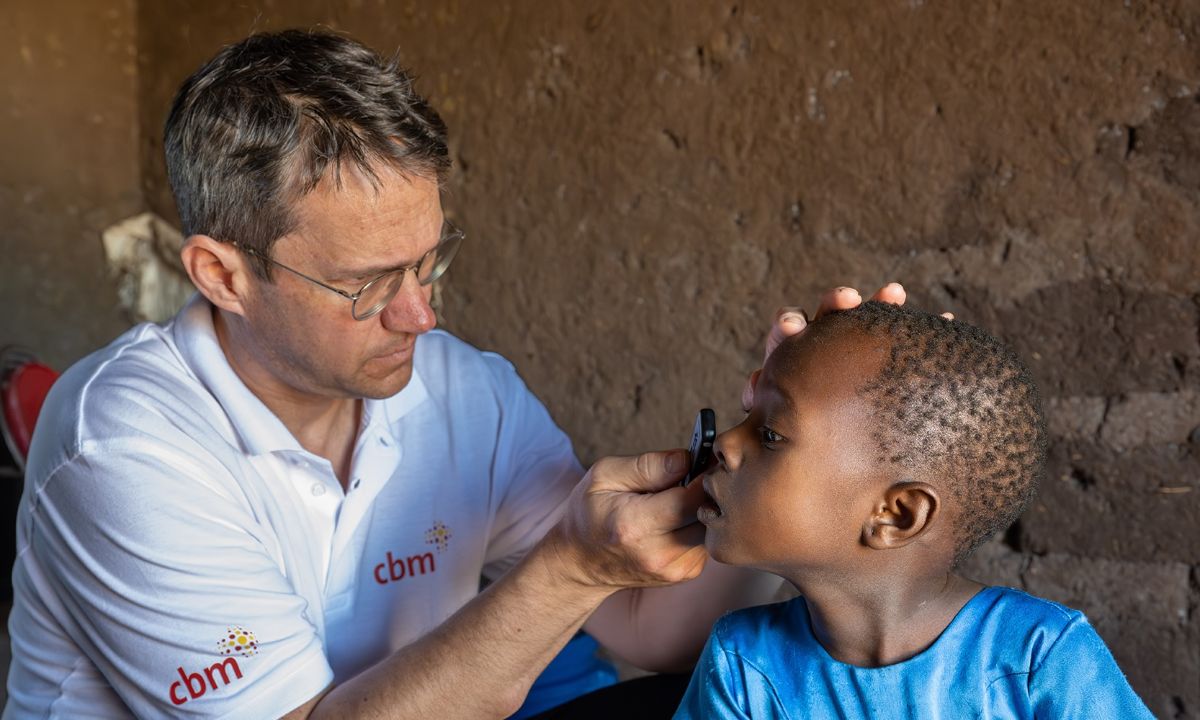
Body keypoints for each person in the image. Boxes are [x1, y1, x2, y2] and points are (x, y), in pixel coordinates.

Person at [3, 28, 897, 719]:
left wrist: (790, 467)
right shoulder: (124, 448)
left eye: (428, 262)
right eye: (365, 285)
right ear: (222, 275)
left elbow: (645, 629)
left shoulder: (465, 393)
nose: (421, 315)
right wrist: (570, 569)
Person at [673, 301, 1154, 719]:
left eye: (771, 434)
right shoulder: (744, 665)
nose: (725, 443)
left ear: (897, 515)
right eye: (745, 419)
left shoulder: (1035, 657)